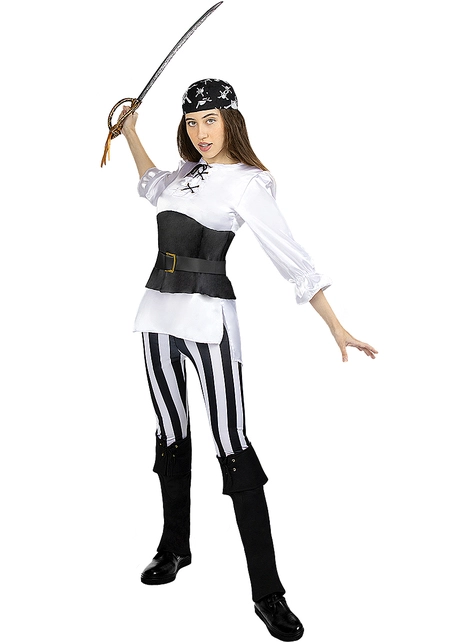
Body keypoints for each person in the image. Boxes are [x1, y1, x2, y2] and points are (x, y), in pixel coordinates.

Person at [118, 78, 377, 641]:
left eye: (210, 120)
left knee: (233, 447)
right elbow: (148, 183)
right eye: (192, 122)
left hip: (209, 323)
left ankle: (268, 593)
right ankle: (175, 547)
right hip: (155, 317)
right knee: (170, 435)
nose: (200, 132)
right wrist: (132, 132)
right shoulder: (180, 176)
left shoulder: (248, 182)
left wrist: (336, 325)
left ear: (230, 121)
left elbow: (293, 259)